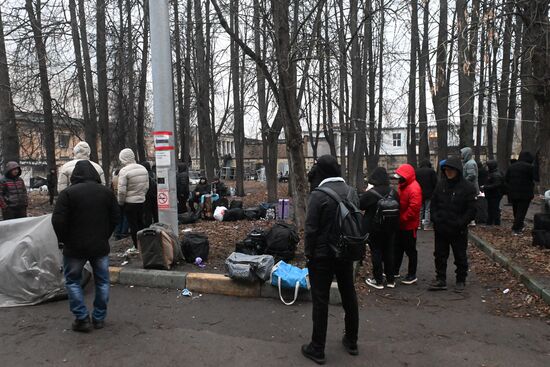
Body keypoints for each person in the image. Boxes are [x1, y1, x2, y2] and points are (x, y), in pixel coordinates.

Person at [303, 154, 359, 364]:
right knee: (349, 295)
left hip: (322, 256)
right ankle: (351, 341)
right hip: (346, 253)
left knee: (320, 301)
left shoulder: (318, 195)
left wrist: (308, 253)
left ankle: (317, 348)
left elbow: (311, 229)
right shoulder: (351, 191)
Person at [51, 160, 119, 332]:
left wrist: (63, 239)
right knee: (102, 281)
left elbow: (58, 220)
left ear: (75, 175)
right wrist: (105, 235)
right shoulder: (106, 193)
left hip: (74, 247)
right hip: (100, 246)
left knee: (73, 281)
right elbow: (115, 217)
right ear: (95, 174)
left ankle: (82, 318)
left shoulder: (67, 194)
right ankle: (98, 318)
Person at [429, 157, 477, 292]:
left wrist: (460, 223)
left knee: (460, 255)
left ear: (457, 171)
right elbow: (434, 203)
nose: (448, 173)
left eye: (451, 170)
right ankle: (440, 279)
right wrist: (435, 218)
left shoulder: (467, 187)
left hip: (458, 229)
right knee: (439, 255)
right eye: (446, 170)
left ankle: (460, 280)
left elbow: (472, 209)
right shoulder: (441, 185)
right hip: (441, 228)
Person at [360, 167, 399, 289]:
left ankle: (378, 280)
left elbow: (360, 205)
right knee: (389, 252)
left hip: (374, 228)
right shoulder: (393, 192)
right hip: (391, 228)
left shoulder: (371, 193)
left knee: (376, 252)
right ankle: (391, 280)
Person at [393, 163, 422, 285]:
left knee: (410, 250)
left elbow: (414, 208)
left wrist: (402, 218)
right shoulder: (402, 186)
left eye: (400, 177)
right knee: (398, 249)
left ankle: (412, 274)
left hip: (409, 225)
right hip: (401, 223)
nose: (398, 179)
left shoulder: (414, 188)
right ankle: (395, 270)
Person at [117, 148, 149, 253]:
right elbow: (147, 186)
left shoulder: (124, 171)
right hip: (141, 201)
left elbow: (121, 191)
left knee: (133, 225)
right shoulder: (143, 169)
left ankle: (136, 246)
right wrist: (141, 195)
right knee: (141, 223)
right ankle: (144, 244)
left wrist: (120, 202)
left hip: (129, 203)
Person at [505, 151, 535, 235]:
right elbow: (535, 178)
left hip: (512, 192)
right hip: (525, 193)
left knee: (516, 210)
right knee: (522, 211)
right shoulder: (530, 167)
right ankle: (516, 228)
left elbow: (506, 178)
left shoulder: (512, 167)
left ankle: (519, 225)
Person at [415, 159, 438, 230]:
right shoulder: (431, 171)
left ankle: (418, 225)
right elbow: (435, 182)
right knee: (428, 209)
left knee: (420, 209)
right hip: (429, 193)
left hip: (419, 193)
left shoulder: (417, 171)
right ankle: (426, 226)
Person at [483, 160, 505, 226]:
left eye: (487, 166)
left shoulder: (496, 174)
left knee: (494, 209)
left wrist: (485, 187)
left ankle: (496, 223)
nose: (486, 167)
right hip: (492, 194)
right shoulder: (491, 173)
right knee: (490, 208)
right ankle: (490, 222)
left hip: (495, 195)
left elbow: (496, 185)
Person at [111, 169, 129, 240]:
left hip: (116, 199)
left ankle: (117, 232)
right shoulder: (124, 179)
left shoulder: (113, 179)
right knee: (125, 216)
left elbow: (111, 190)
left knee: (119, 216)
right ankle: (124, 232)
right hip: (124, 199)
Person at [141, 161, 158, 226]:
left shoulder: (144, 174)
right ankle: (157, 224)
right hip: (155, 194)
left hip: (147, 195)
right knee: (155, 211)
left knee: (147, 213)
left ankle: (148, 226)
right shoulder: (154, 173)